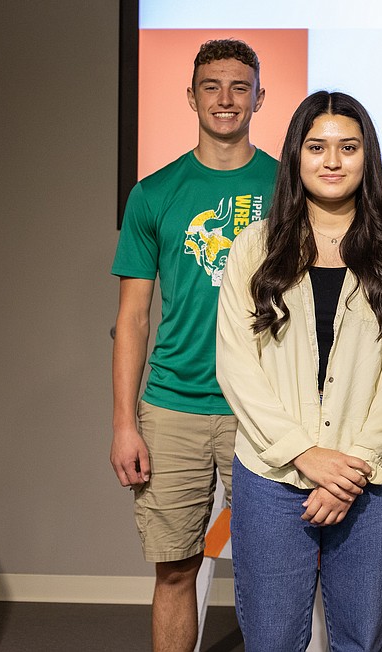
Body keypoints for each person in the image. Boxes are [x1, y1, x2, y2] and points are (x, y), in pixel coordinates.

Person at [215, 91, 382, 650]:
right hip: (272, 475)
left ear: (368, 157)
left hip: (372, 477)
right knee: (271, 639)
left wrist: (354, 466)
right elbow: (237, 365)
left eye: (348, 147)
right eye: (317, 147)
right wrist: (303, 453)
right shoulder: (253, 248)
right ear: (295, 157)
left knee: (361, 638)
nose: (332, 161)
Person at [110, 39, 275, 652]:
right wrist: (125, 423)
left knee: (275, 573)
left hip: (260, 410)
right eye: (212, 86)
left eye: (239, 86)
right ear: (191, 97)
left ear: (260, 95)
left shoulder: (288, 186)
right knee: (176, 569)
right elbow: (132, 319)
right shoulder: (154, 193)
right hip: (172, 407)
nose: (226, 99)